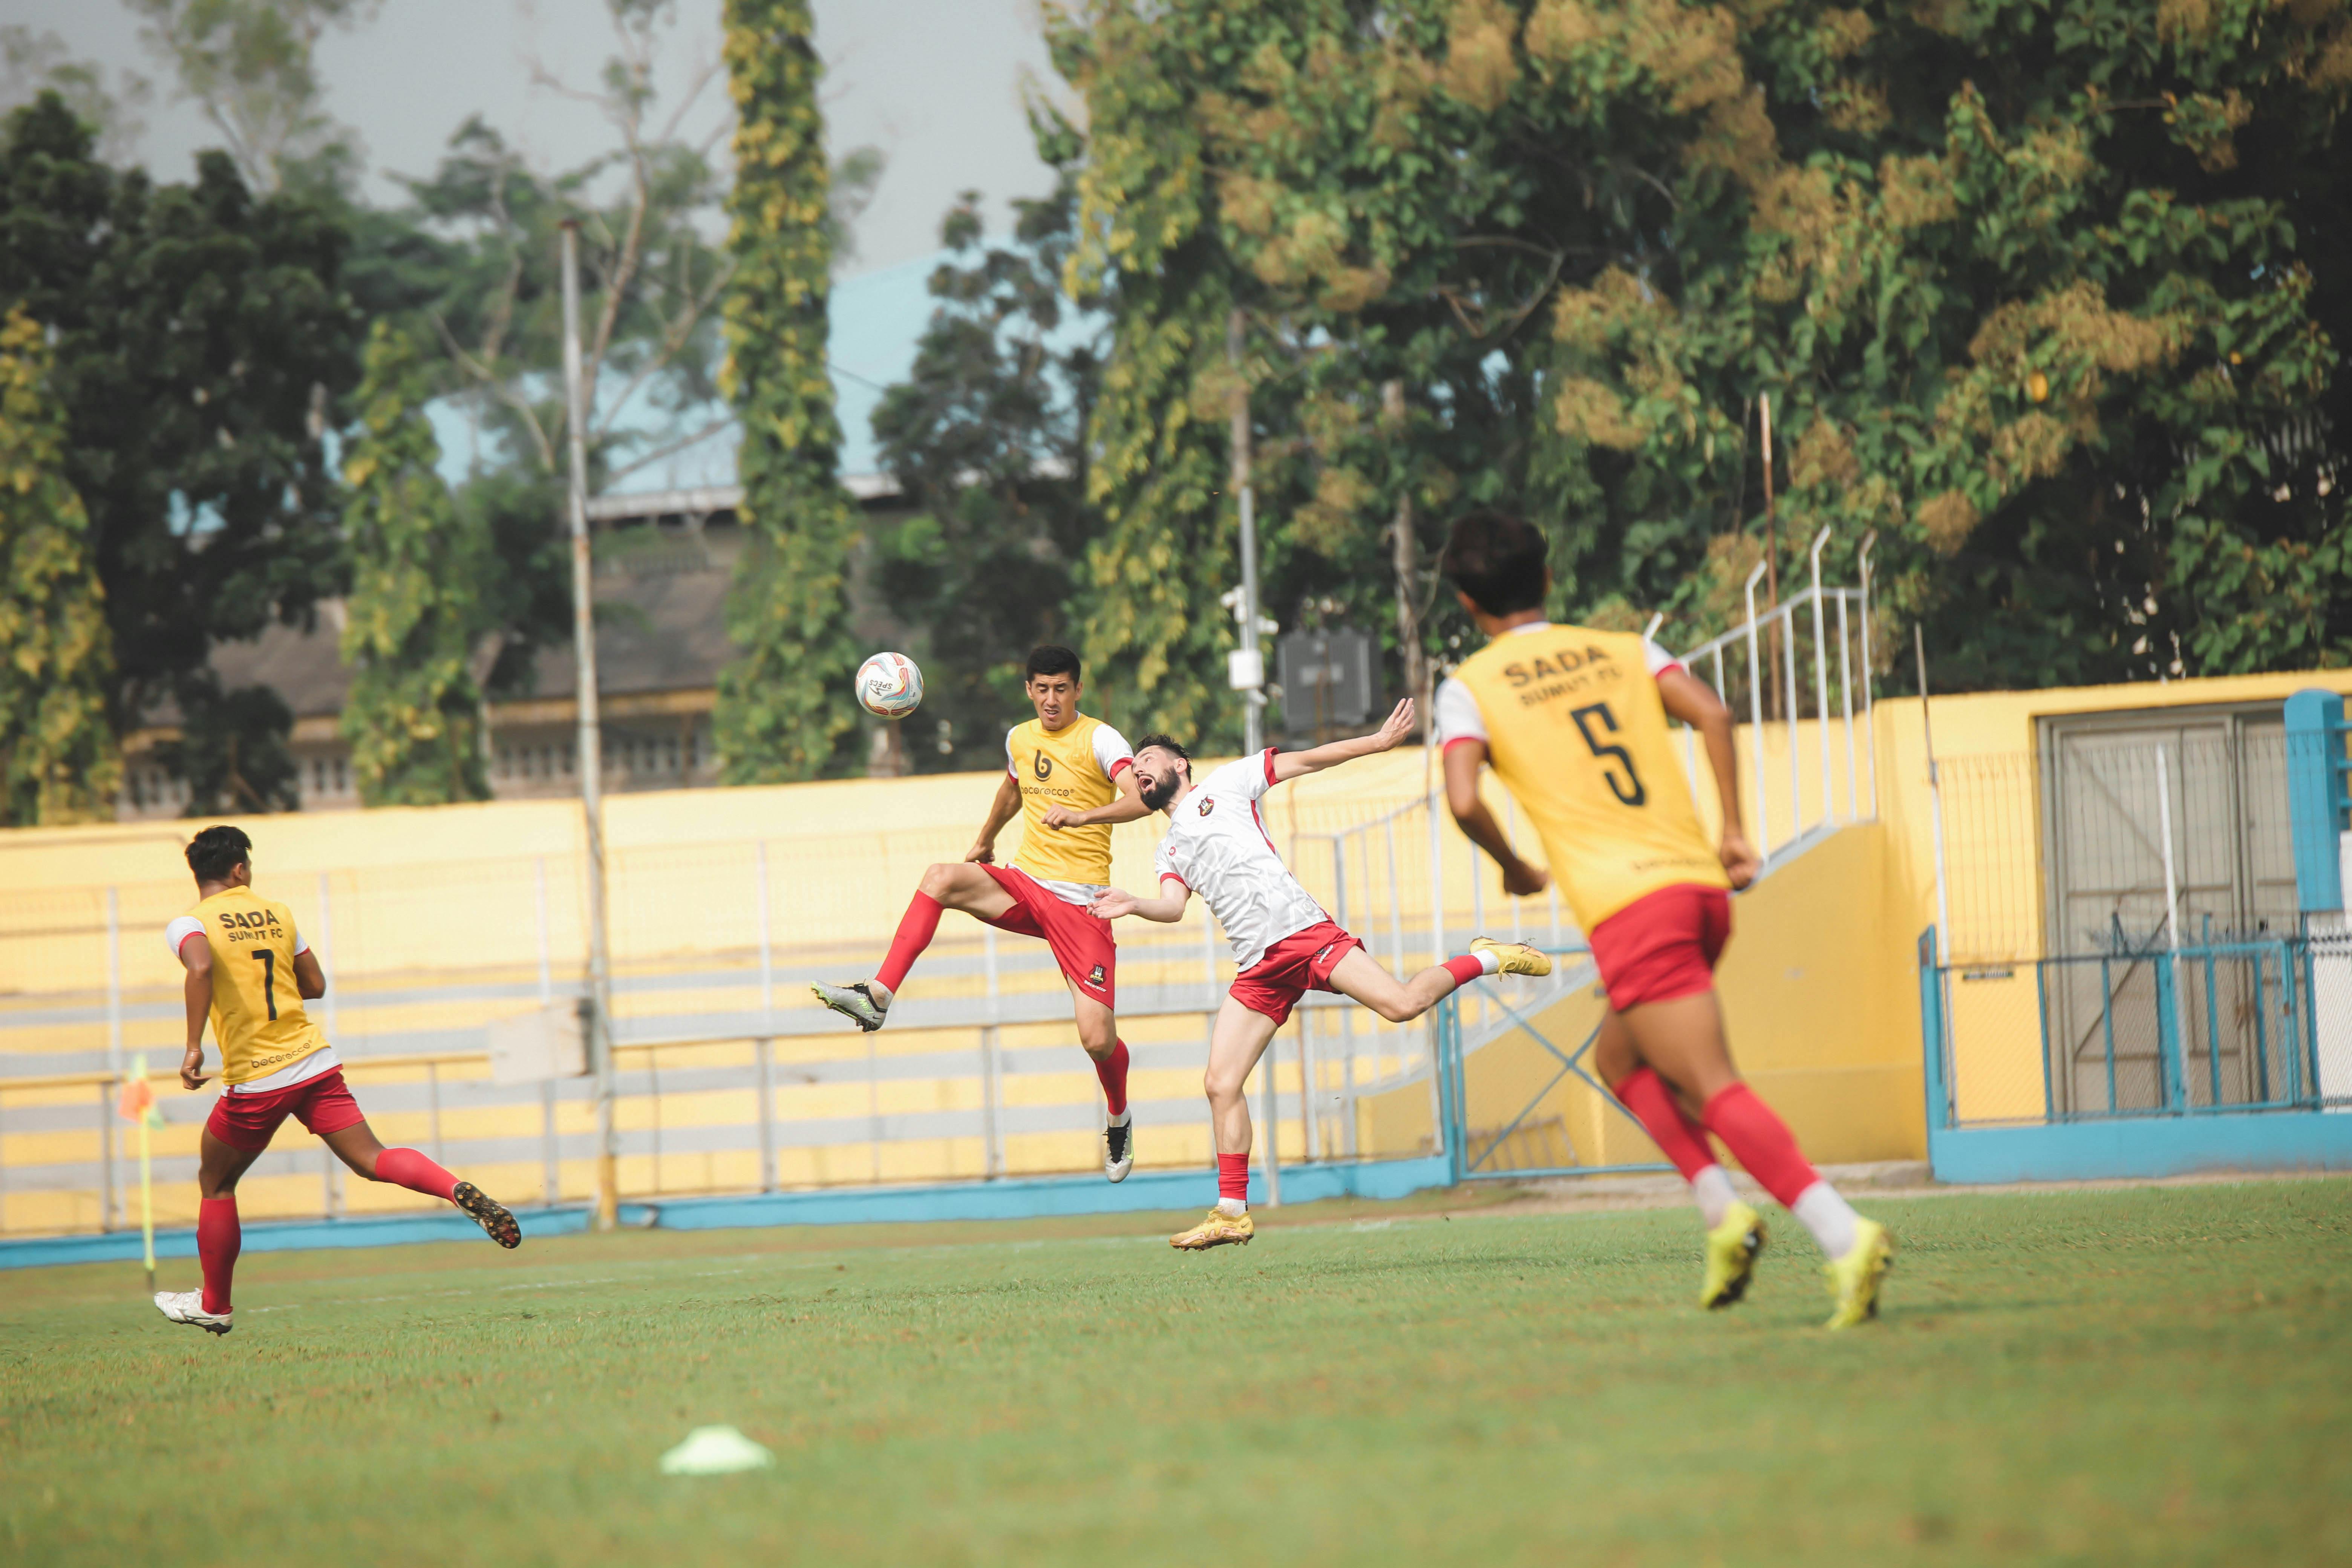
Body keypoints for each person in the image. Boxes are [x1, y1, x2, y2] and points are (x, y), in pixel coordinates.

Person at [1434, 508, 1891, 1328]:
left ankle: (1844, 1234)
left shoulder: (1469, 688)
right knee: (1622, 1060)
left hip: (1630, 908)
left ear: (1468, 603)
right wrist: (1735, 832)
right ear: (1547, 579)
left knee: (1710, 1085)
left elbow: (1464, 797)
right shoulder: (1624, 648)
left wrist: (1513, 867)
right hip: (1698, 893)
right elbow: (1713, 713)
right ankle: (1725, 1215)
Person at [1092, 698, 1552, 1251]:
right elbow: (1172, 906)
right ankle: (1232, 1211)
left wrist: (1377, 743)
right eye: (1134, 767)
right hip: (1258, 967)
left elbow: (1307, 761)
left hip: (1305, 936)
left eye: (1148, 757)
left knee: (1403, 1005)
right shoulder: (1168, 846)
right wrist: (1133, 902)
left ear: (1179, 764)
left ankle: (1489, 957)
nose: (1139, 768)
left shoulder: (1227, 784)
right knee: (1220, 1083)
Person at [153, 827, 521, 1336]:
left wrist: (194, 1046)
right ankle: (453, 1188)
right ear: (239, 869)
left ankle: (215, 1305)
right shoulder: (278, 913)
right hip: (313, 1062)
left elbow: (199, 967)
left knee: (216, 1183)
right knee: (374, 1159)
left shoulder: (188, 924)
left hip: (257, 1077)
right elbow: (316, 985)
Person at [813, 645, 1154, 1181]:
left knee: (1096, 1037)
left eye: (1061, 689)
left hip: (1082, 904)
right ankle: (877, 996)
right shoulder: (1020, 737)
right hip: (1024, 885)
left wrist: (1083, 816)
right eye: (1041, 689)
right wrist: (984, 840)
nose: (1051, 700)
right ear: (1028, 690)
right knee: (940, 878)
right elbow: (1014, 788)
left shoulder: (1102, 739)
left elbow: (1140, 799)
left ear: (1078, 691)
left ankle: (1119, 1116)